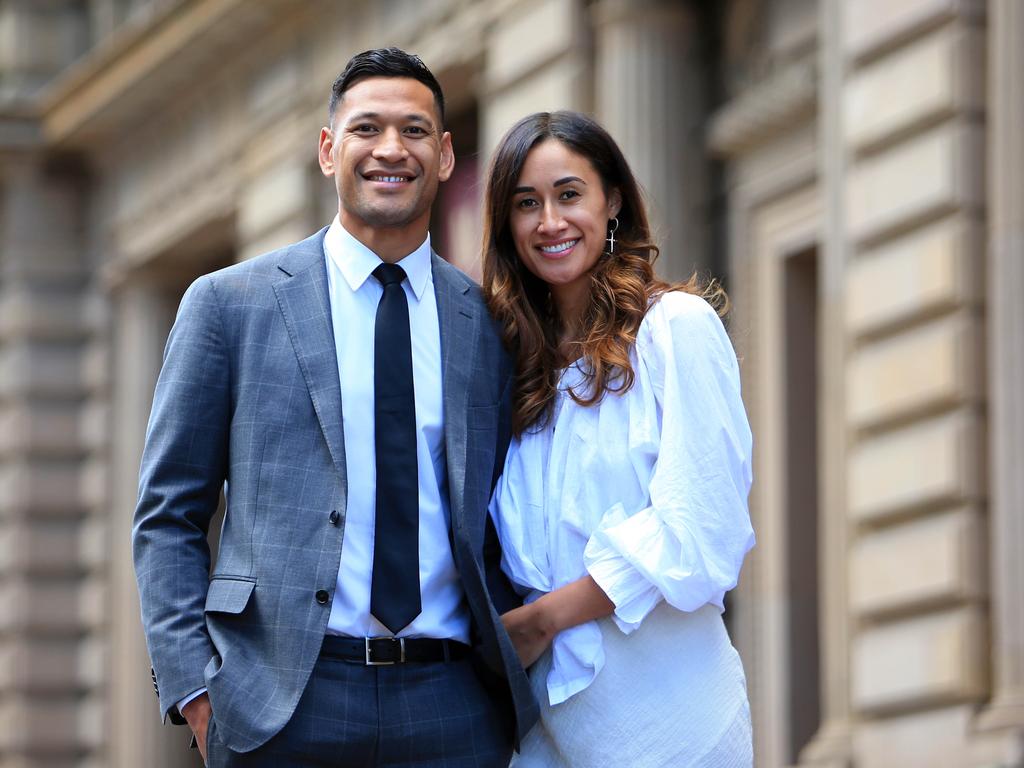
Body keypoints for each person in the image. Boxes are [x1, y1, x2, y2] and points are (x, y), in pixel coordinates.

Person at [133, 47, 537, 767]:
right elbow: (168, 512)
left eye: (415, 132)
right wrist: (196, 691)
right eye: (367, 129)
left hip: (454, 708)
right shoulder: (230, 306)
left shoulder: (486, 325)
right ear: (328, 150)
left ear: (445, 156)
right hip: (284, 707)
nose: (391, 149)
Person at [481, 110, 755, 767]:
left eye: (569, 194)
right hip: (546, 728)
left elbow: (703, 530)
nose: (550, 221)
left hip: (670, 722)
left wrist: (544, 619)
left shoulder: (674, 330)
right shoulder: (515, 374)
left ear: (613, 203)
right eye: (527, 204)